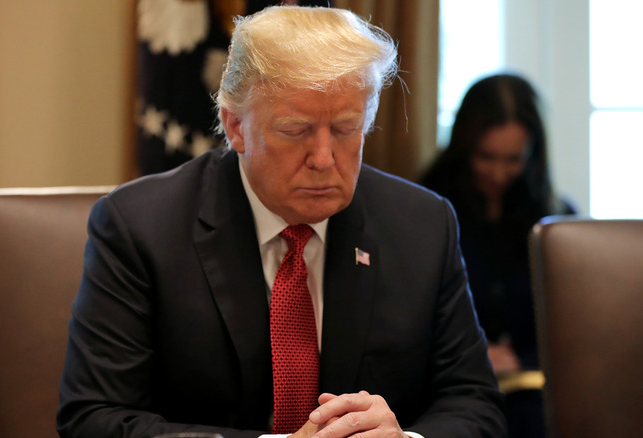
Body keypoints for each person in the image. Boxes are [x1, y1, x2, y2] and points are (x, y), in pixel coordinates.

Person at [57, 6, 505, 438]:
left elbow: (475, 404)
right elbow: (95, 418)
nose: (324, 159)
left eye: (348, 129)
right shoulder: (141, 227)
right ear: (235, 127)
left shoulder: (422, 224)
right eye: (296, 131)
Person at [420, 74, 575, 438]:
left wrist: (524, 360)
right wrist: (477, 356)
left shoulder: (558, 219)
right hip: (449, 389)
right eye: (486, 157)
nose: (498, 173)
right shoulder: (426, 210)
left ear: (532, 155)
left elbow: (575, 326)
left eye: (513, 160)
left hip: (537, 391)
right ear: (464, 148)